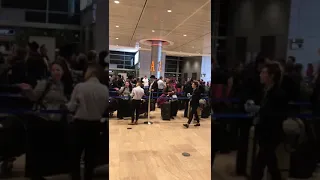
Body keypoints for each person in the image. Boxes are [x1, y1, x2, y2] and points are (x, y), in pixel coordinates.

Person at [67, 65, 109, 180]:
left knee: (75, 155)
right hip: (96, 125)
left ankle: (76, 177)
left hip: (80, 124)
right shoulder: (104, 89)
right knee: (90, 157)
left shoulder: (80, 87)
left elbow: (71, 107)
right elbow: (105, 107)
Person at [252, 63, 288, 180]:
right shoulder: (266, 92)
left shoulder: (278, 94)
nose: (260, 75)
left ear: (271, 76)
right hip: (265, 134)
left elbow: (278, 115)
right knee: (270, 164)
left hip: (271, 134)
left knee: (260, 165)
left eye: (264, 73)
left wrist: (260, 111)